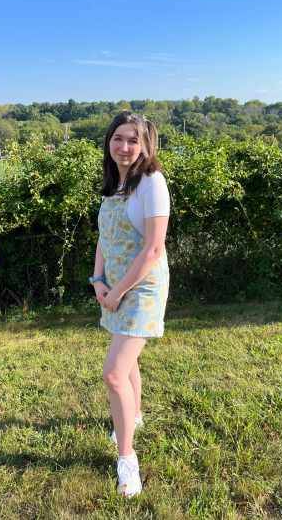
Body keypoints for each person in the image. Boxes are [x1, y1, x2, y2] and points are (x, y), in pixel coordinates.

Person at [89, 112, 170, 497]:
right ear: (109, 142)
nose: (124, 146)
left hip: (141, 288)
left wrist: (118, 290)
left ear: (145, 145)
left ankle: (127, 461)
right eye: (118, 138)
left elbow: (154, 249)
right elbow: (104, 238)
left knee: (114, 373)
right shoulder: (114, 182)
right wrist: (98, 280)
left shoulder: (152, 182)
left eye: (132, 140)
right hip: (113, 285)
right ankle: (133, 416)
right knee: (128, 361)